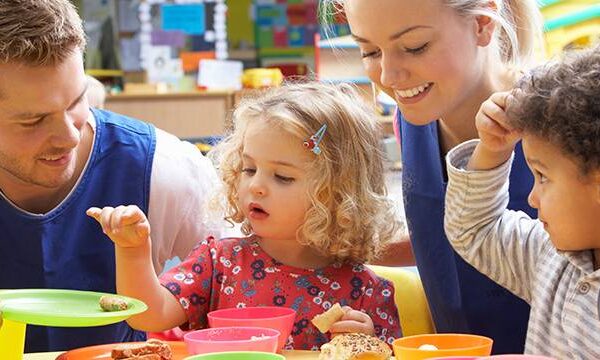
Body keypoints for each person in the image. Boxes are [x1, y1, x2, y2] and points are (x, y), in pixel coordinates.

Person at [87, 82, 403, 350]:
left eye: (282, 177)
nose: (256, 186)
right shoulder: (218, 262)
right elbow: (148, 315)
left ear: (338, 195)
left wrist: (368, 343)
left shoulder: (368, 292)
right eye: (249, 168)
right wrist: (132, 251)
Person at [321, 0, 544, 353]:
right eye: (370, 51)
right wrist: (336, 244)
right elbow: (445, 239)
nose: (389, 76)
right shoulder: (411, 116)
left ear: (483, 25)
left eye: (415, 47)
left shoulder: (560, 120)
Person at [0, 0, 221, 352]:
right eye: (33, 121)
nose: (69, 136)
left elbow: (244, 292)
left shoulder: (166, 167)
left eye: (76, 102)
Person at [444, 46, 600, 358]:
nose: (531, 197)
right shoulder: (551, 257)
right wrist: (492, 150)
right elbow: (474, 229)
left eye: (542, 176)